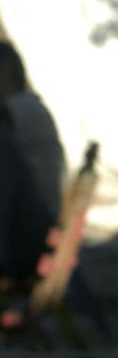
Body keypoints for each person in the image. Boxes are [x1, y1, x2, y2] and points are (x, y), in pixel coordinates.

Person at [0, 40, 65, 282]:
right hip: (38, 234)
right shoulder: (27, 108)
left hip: (25, 242)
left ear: (5, 69)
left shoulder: (16, 112)